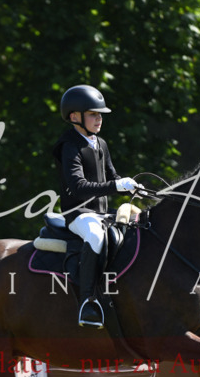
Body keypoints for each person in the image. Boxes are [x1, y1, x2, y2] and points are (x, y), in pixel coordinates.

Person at [52, 84, 140, 328]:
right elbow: (78, 186)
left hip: (101, 212)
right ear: (74, 117)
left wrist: (131, 185)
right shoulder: (69, 146)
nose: (99, 118)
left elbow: (112, 175)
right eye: (93, 114)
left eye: (100, 114)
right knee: (96, 235)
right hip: (78, 213)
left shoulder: (99, 143)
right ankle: (88, 300)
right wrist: (117, 186)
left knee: (140, 226)